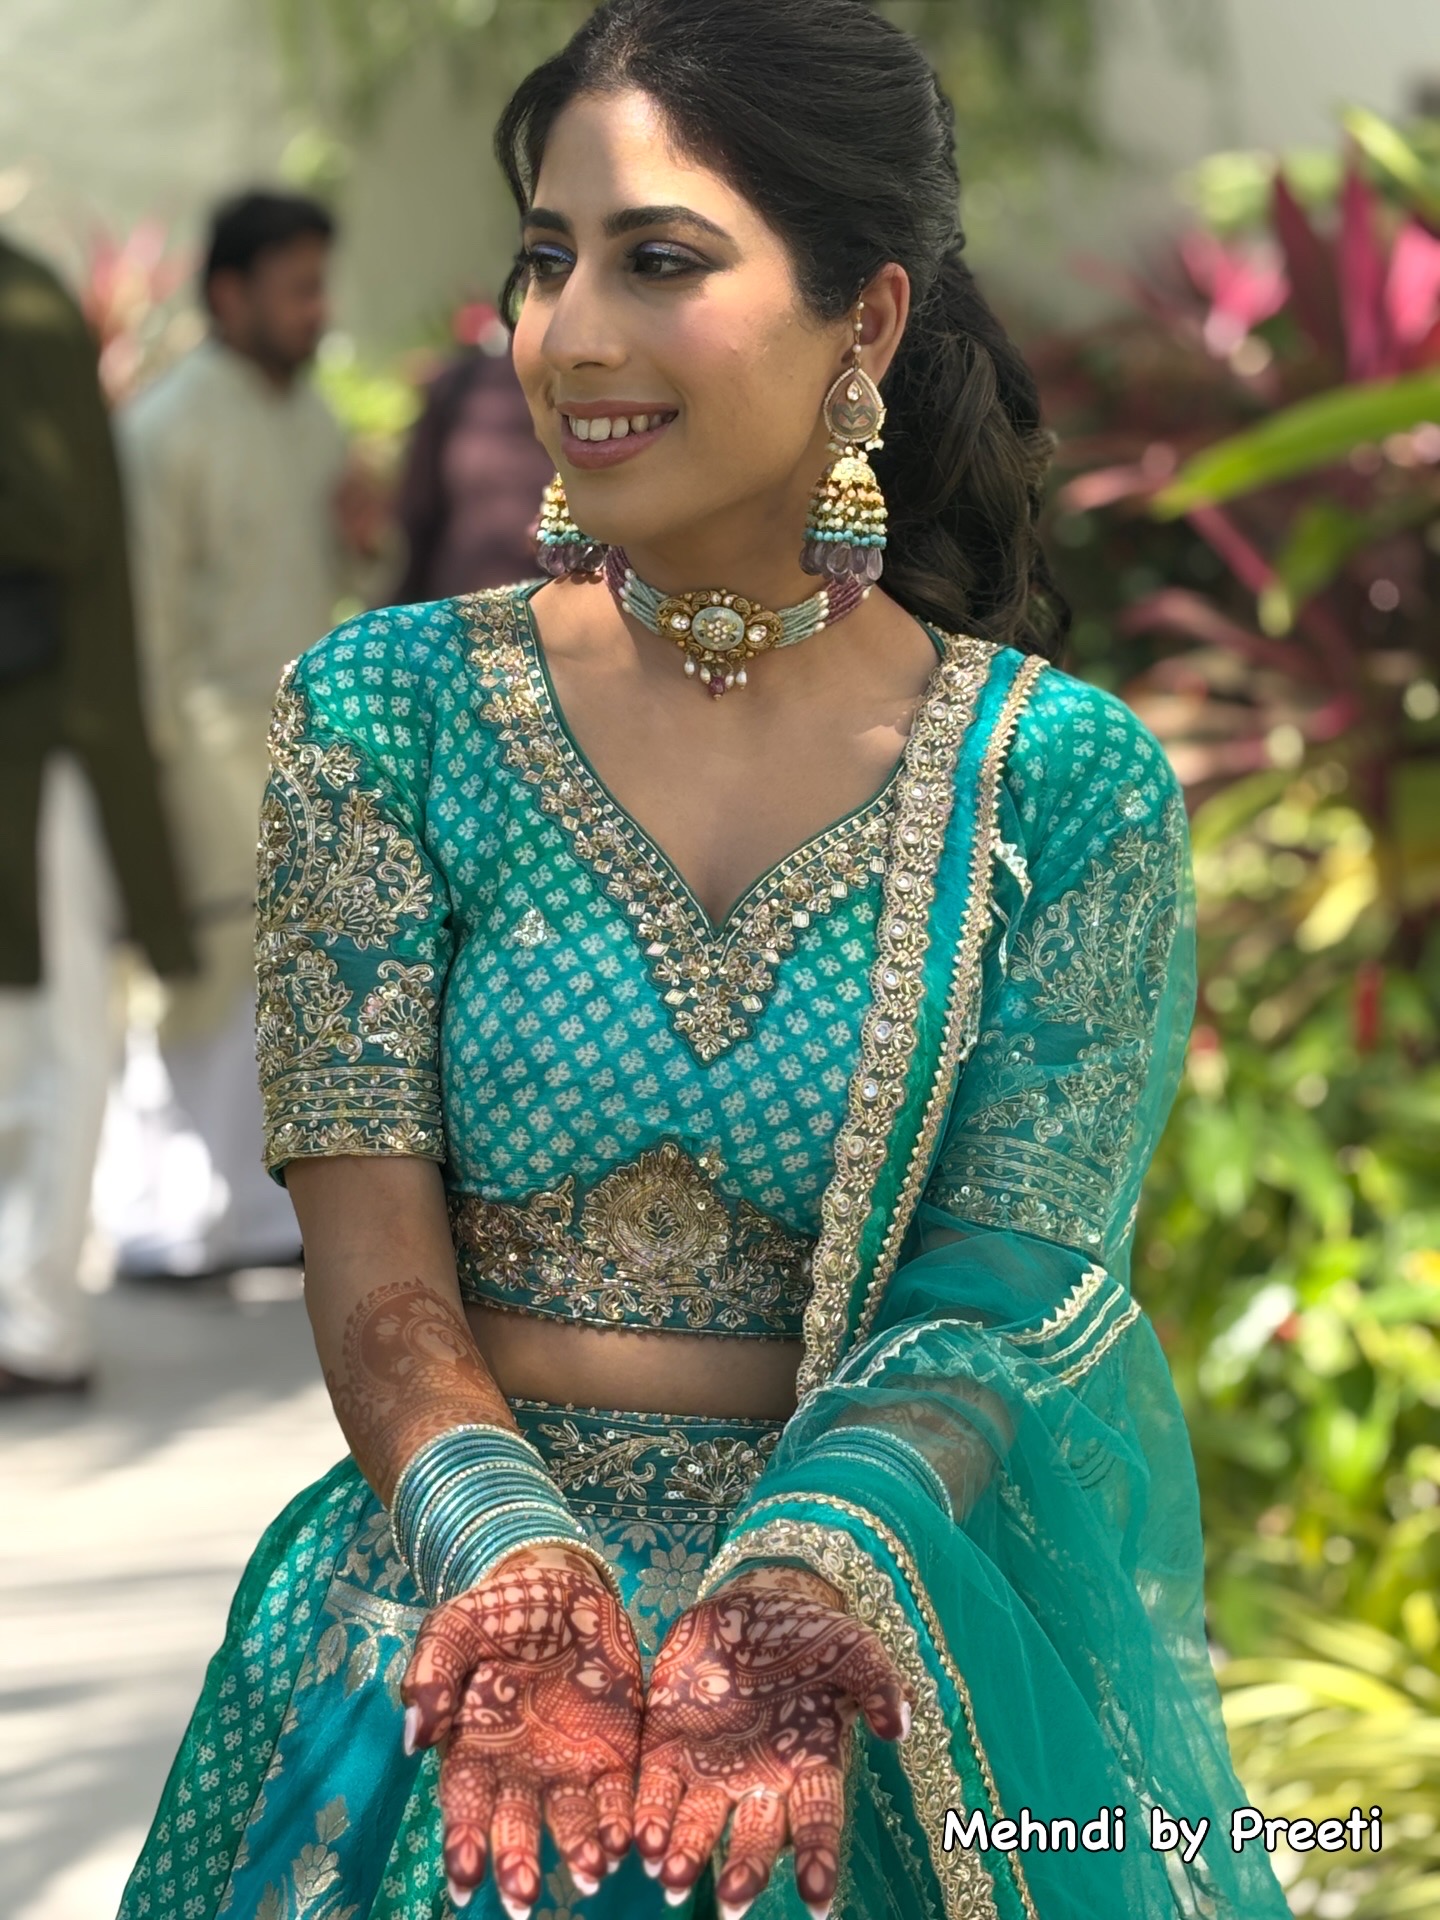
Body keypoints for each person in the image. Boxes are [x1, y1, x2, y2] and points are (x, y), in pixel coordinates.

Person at [119, 4, 1292, 1916]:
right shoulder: (389, 716)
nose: (570, 332)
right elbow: (370, 1257)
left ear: (867, 323)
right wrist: (513, 1569)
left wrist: (798, 1581)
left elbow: (1004, 1282)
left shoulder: (1055, 786)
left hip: (858, 1653)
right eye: (545, 258)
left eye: (660, 260)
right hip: (460, 1636)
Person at [111, 190, 381, 1277]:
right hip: (196, 749)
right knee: (201, 974)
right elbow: (141, 624)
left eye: (322, 287)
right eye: (298, 289)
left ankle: (256, 1217)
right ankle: (169, 1221)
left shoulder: (313, 419)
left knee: (289, 973)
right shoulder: (162, 429)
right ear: (230, 295)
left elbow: (350, 579)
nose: (319, 311)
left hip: (297, 748)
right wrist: (152, 775)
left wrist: (366, 539)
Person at [0, 233, 193, 1397]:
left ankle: (36, 1325)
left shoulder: (19, 304)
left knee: (51, 1040)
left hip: (40, 745)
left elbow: (55, 512)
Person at [390, 306, 555, 602]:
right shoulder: (459, 388)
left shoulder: (597, 399)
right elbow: (418, 512)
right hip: (458, 610)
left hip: (560, 612)